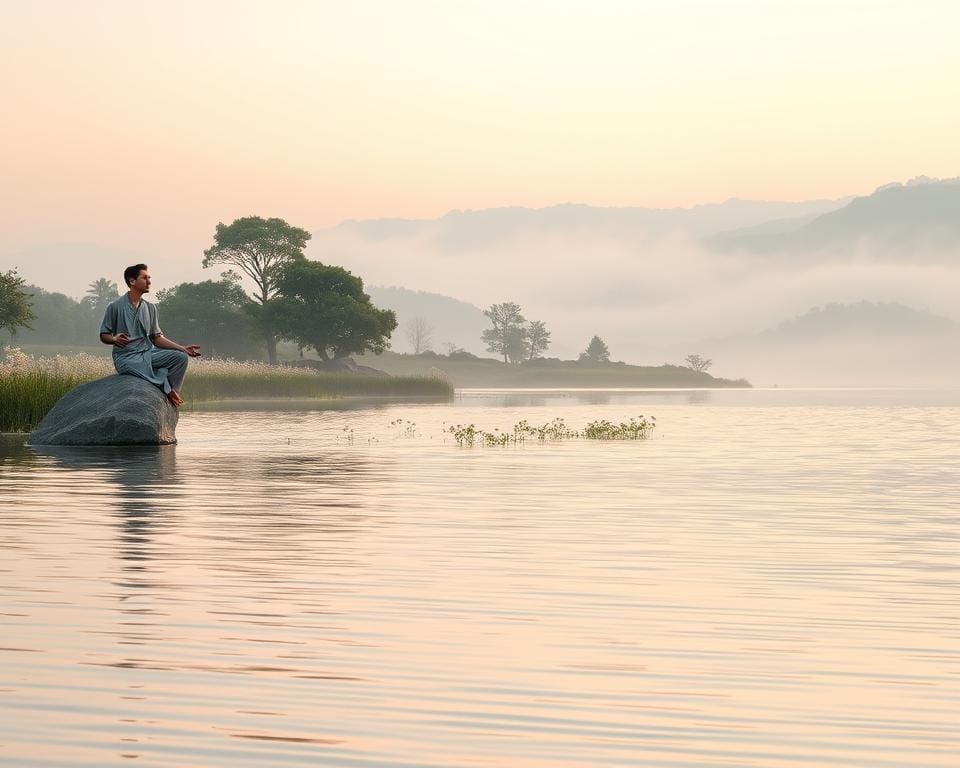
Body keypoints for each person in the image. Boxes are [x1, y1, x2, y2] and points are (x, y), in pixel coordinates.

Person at [99, 264, 201, 407]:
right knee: (139, 367)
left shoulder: (150, 308)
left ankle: (173, 391)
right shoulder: (115, 307)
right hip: (127, 358)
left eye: (149, 278)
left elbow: (156, 338)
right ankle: (166, 387)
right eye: (144, 278)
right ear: (132, 281)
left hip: (148, 353)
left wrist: (182, 348)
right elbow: (104, 335)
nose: (149, 281)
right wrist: (114, 339)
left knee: (180, 357)